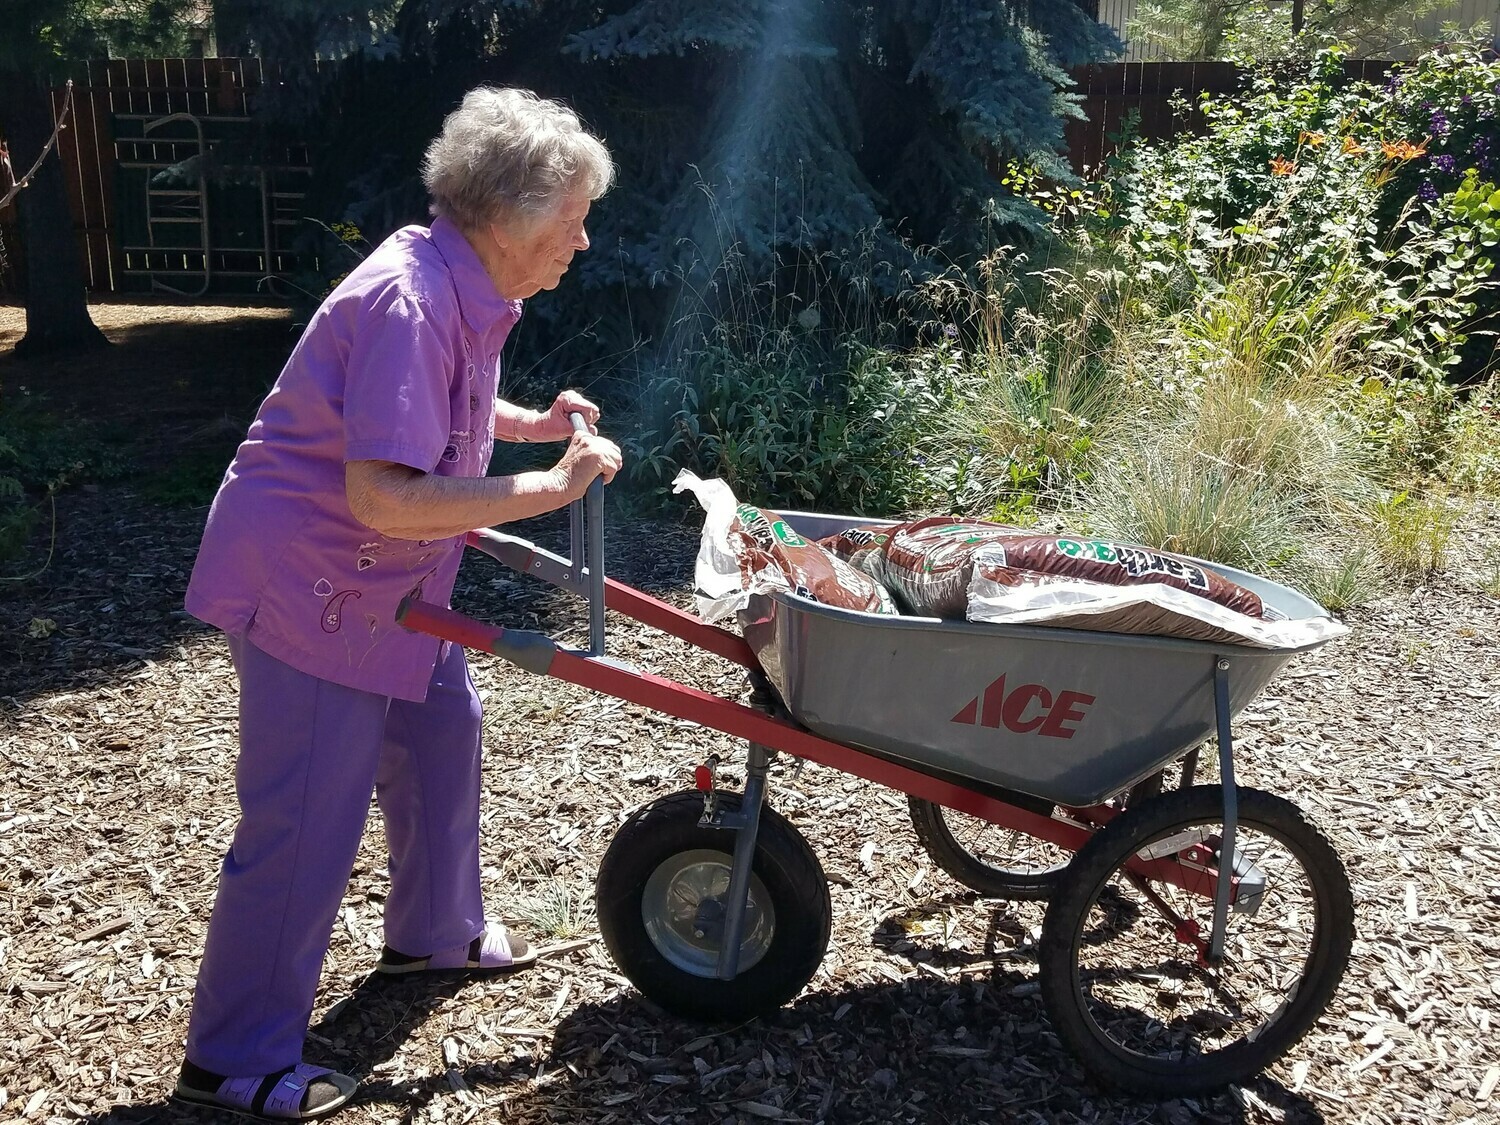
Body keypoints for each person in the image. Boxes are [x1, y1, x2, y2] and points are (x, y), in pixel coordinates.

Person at [173, 87, 622, 1119]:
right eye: (571, 220)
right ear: (510, 216)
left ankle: (434, 932)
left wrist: (530, 424)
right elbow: (382, 490)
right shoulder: (409, 302)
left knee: (441, 730)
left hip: (389, 579)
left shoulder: (461, 281)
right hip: (314, 585)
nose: (583, 242)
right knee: (303, 819)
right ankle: (234, 1058)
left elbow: (447, 404)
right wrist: (550, 488)